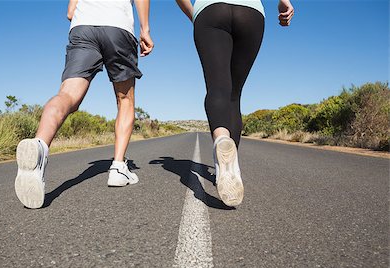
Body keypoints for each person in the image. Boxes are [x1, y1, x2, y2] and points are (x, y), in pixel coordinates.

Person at [15, 0, 154, 209]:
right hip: (118, 26)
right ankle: (118, 167)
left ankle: (39, 145)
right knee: (125, 100)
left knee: (67, 95)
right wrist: (145, 29)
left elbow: (70, 12)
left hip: (83, 28)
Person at [175, 0, 294, 206]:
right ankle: (231, 167)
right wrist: (284, 2)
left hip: (210, 10)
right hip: (250, 12)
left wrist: (195, 14)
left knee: (217, 87)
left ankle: (221, 139)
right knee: (234, 95)